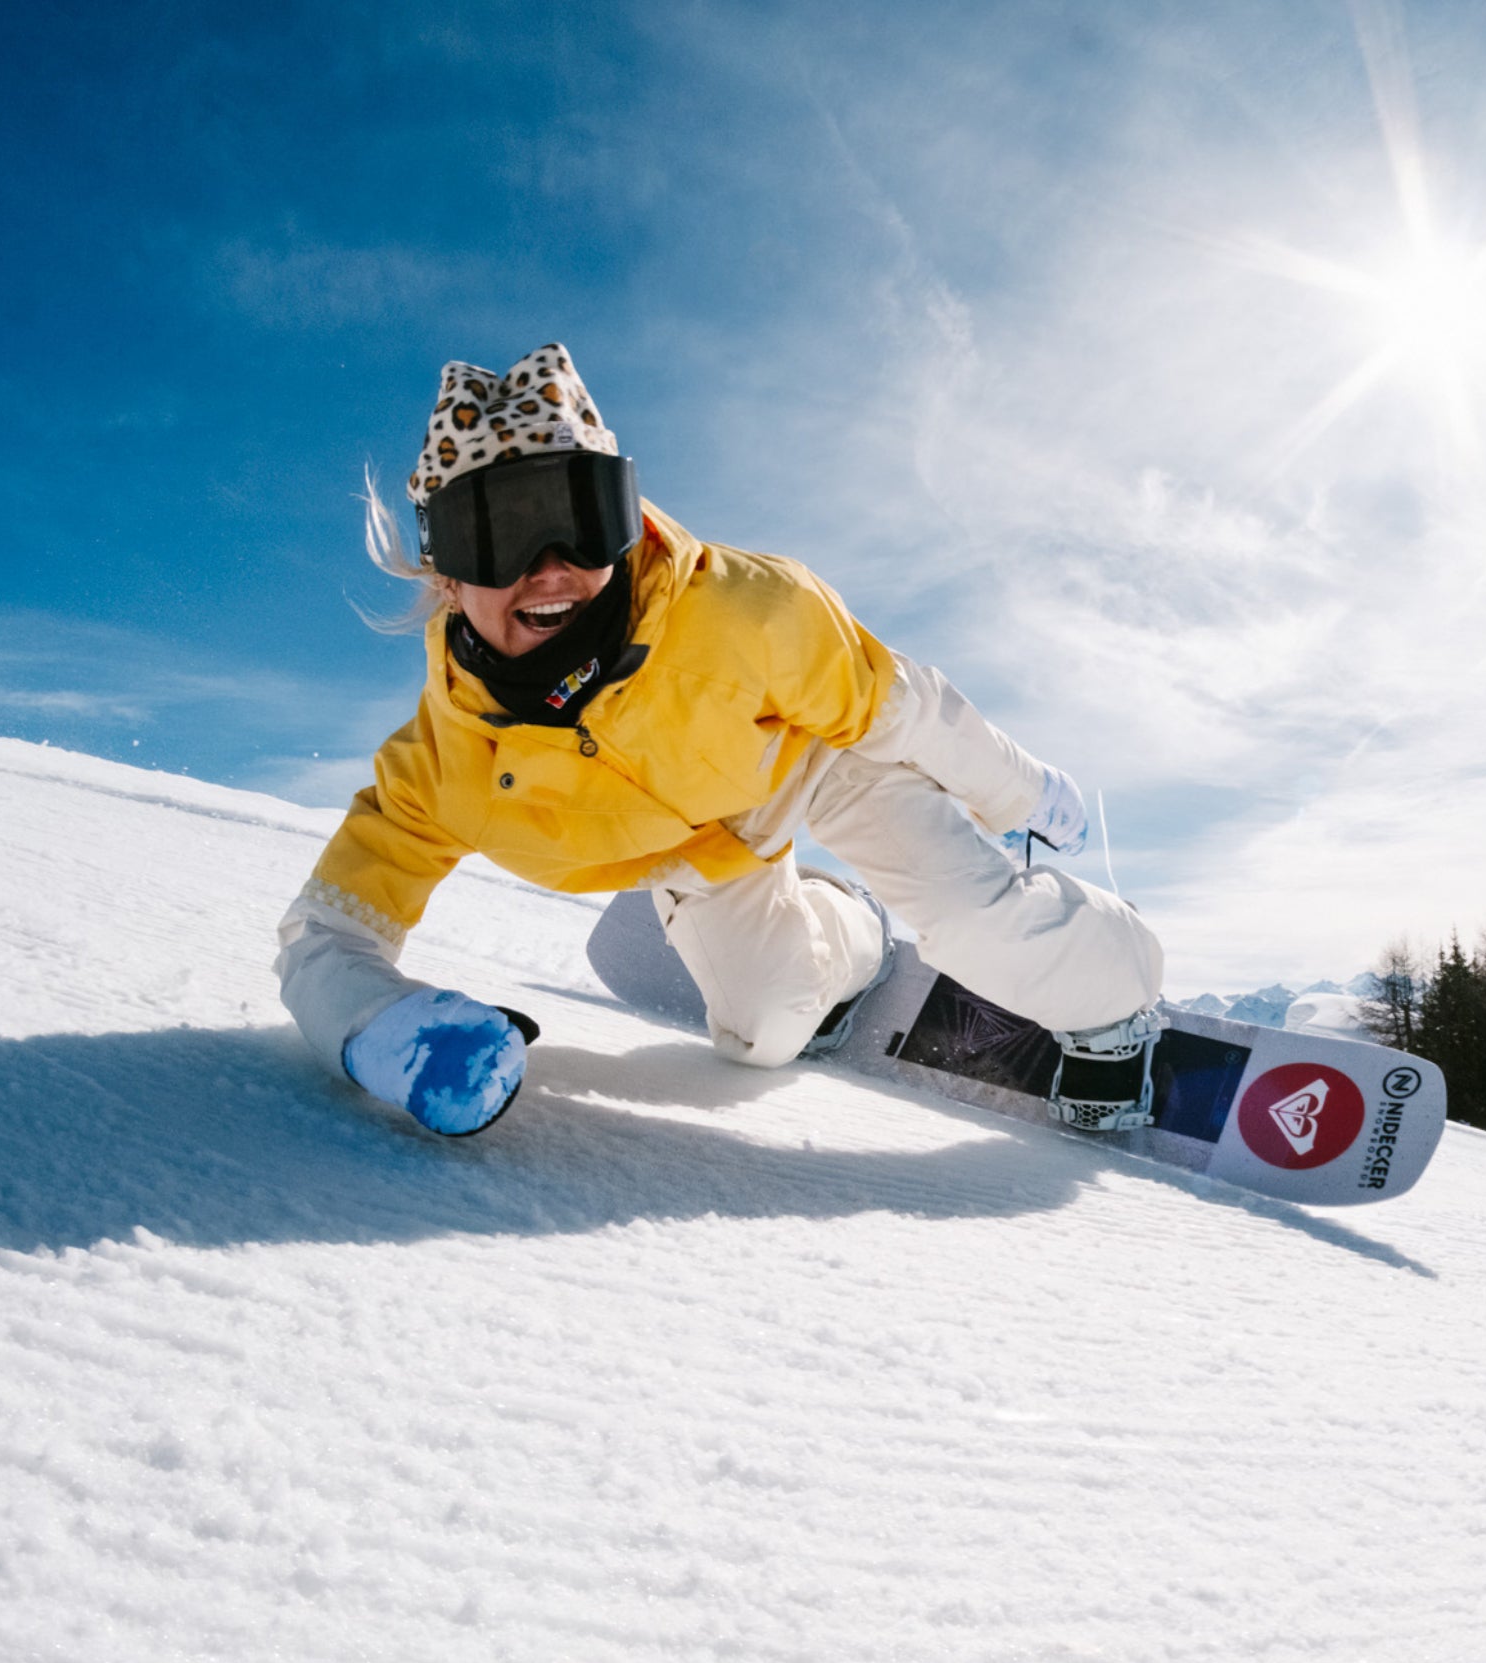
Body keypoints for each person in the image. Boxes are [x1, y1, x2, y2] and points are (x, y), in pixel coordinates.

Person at [278, 342, 1164, 1137]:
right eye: (496, 534)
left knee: (973, 918)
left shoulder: (746, 612)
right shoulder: (442, 769)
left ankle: (1115, 1002)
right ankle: (849, 938)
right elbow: (326, 935)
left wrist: (1021, 791)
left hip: (818, 757)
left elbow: (907, 708)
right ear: (444, 571)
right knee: (765, 1036)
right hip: (703, 847)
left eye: (579, 518)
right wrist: (384, 1028)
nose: (550, 568)